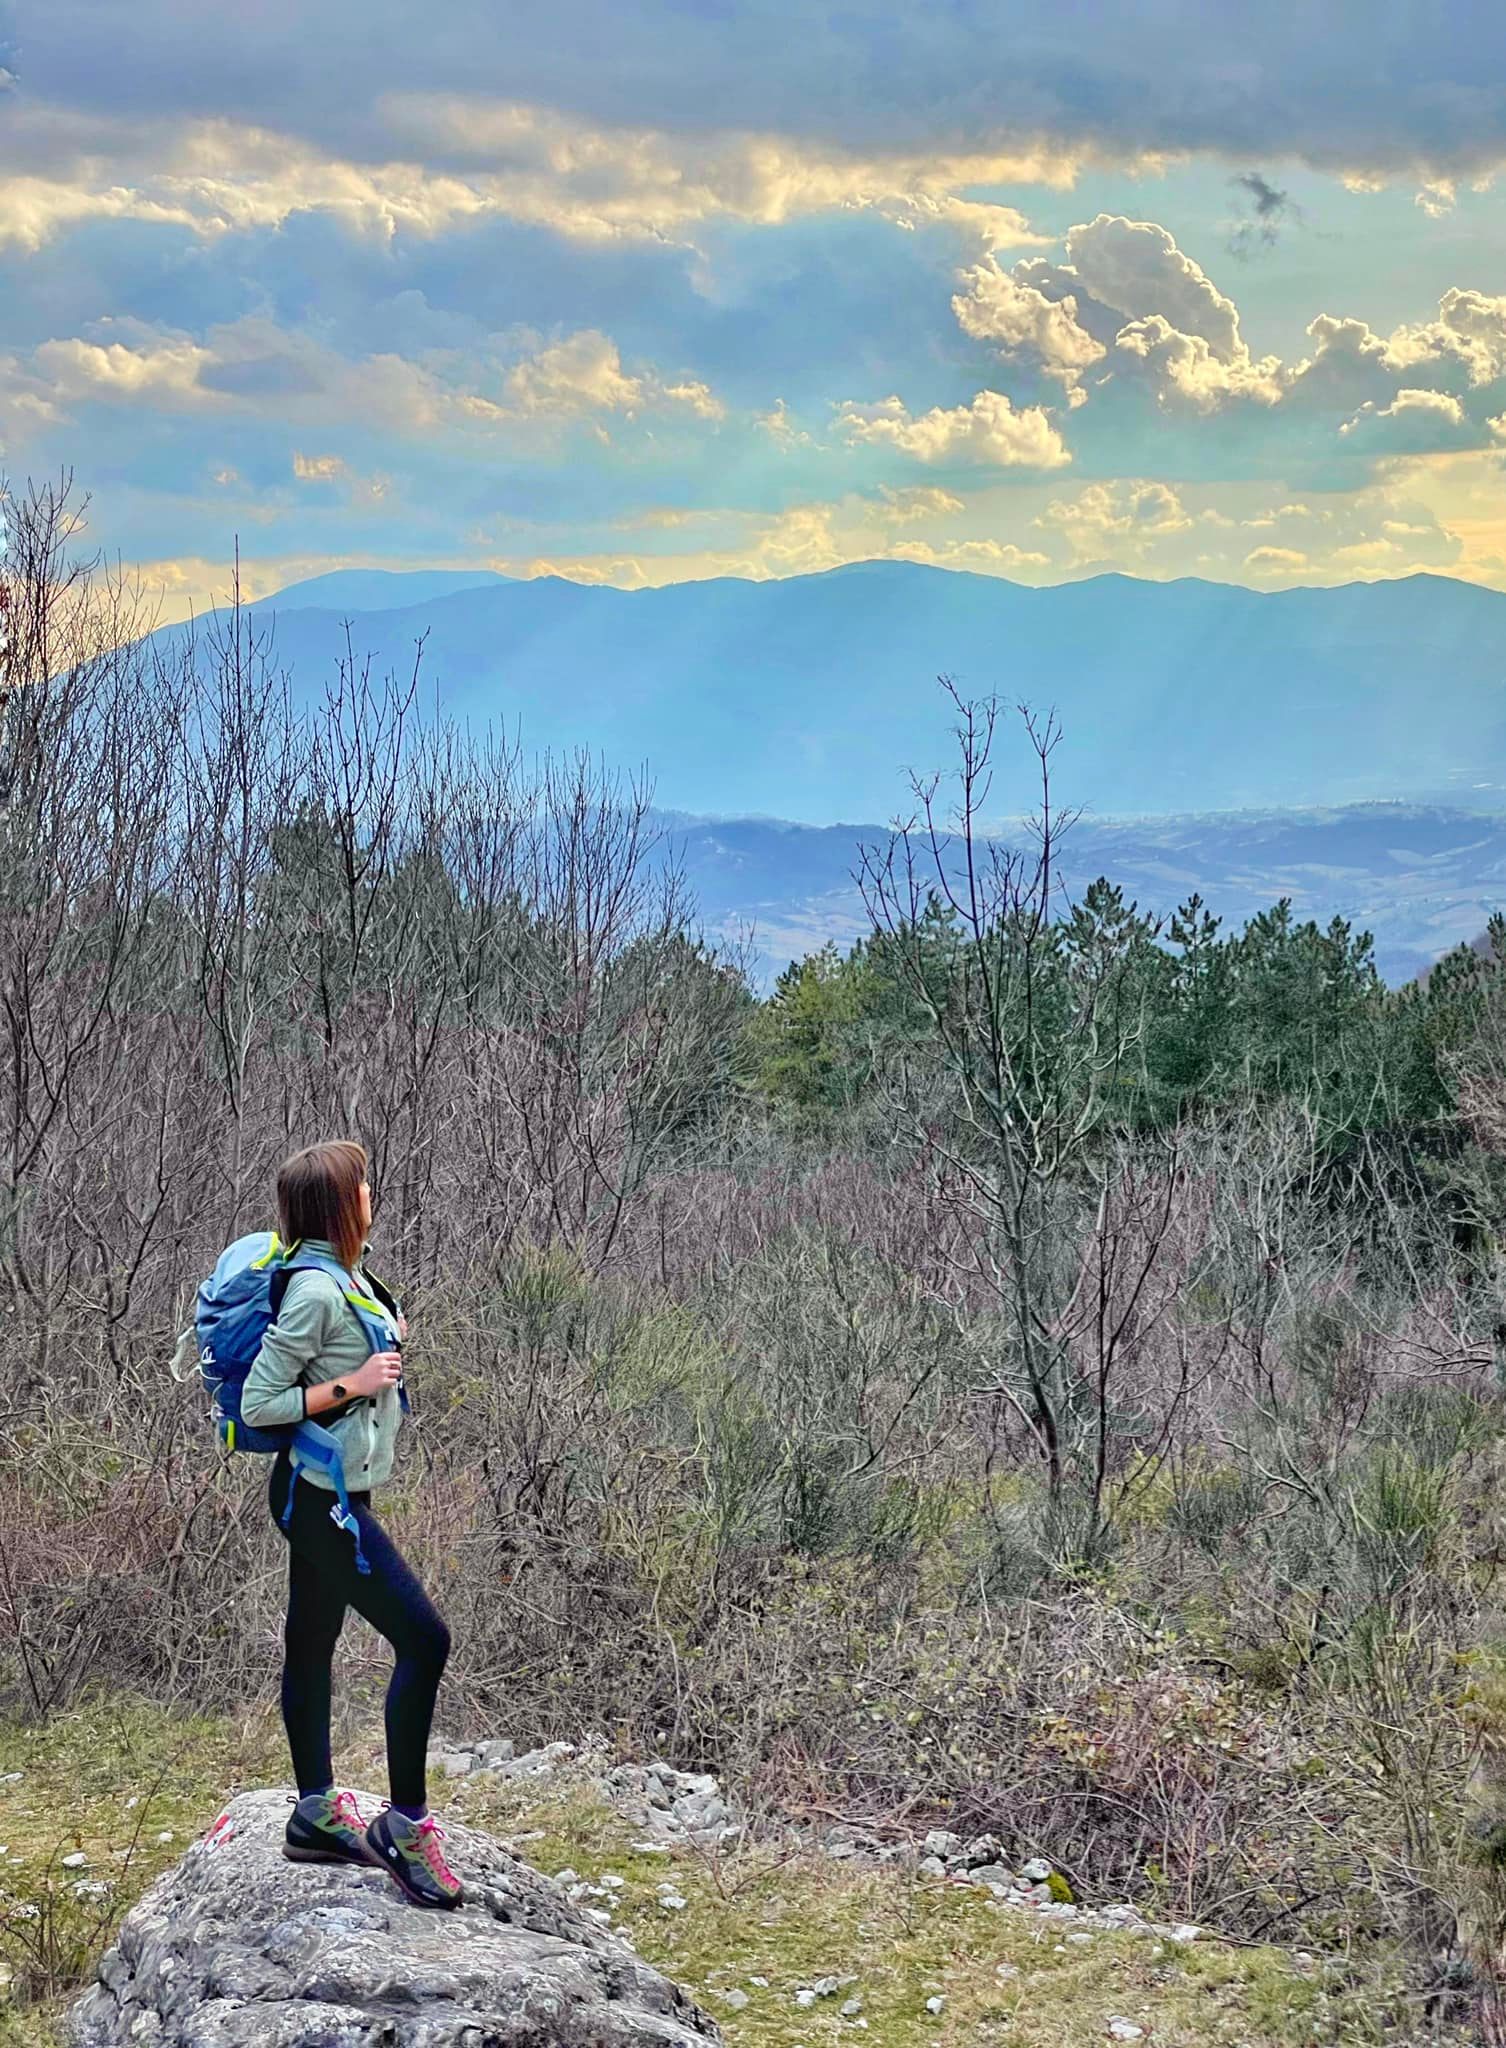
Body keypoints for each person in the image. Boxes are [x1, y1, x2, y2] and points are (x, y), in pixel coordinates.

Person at [241, 1139, 462, 1909]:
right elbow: (258, 1405)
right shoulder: (317, 1291)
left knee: (311, 1641)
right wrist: (353, 1383)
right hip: (319, 1501)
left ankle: (313, 1815)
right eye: (361, 1185)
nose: (372, 1192)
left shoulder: (350, 1275)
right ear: (340, 1205)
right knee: (426, 1639)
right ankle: (404, 1829)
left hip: (329, 1494)